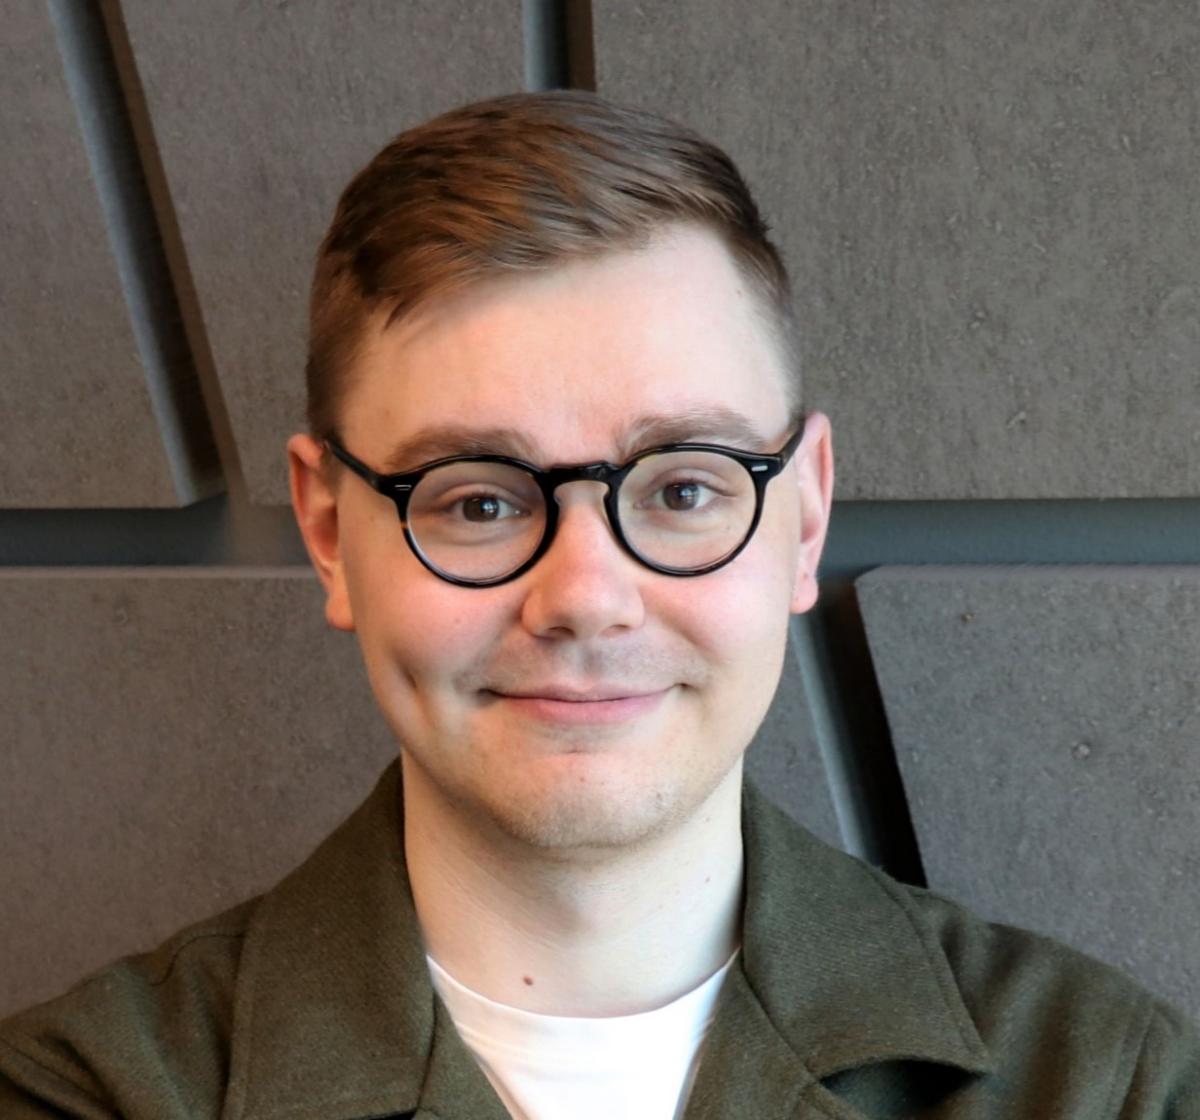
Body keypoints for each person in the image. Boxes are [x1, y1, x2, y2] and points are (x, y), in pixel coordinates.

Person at [1, 90, 1196, 1120]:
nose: (583, 596)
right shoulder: (87, 1092)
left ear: (805, 517)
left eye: (683, 488)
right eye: (476, 500)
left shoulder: (1105, 1084)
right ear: (328, 533)